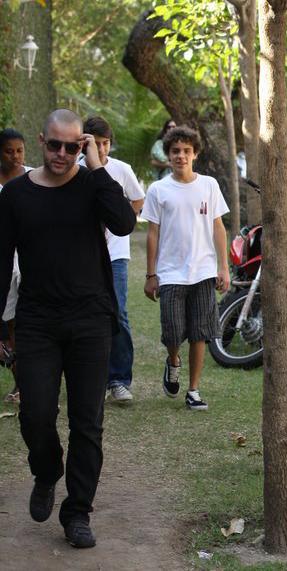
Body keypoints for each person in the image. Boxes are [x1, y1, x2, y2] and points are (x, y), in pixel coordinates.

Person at [0, 109, 135, 548]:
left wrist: (96, 168)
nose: (62, 154)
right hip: (37, 319)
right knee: (36, 414)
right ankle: (46, 470)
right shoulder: (15, 194)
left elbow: (124, 222)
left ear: (85, 146)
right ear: (42, 140)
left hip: (90, 318)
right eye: (54, 145)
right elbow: (1, 262)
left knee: (87, 423)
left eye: (73, 146)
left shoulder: (92, 185)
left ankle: (77, 511)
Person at [141, 125, 230, 411]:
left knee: (200, 331)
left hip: (203, 271)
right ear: (168, 155)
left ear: (195, 154)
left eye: (186, 151)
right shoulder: (158, 190)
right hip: (170, 273)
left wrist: (224, 267)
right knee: (173, 330)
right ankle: (173, 360)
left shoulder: (209, 185)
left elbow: (218, 227)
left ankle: (193, 389)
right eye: (175, 151)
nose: (181, 156)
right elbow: (152, 233)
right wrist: (151, 274)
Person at [81, 116, 145, 403]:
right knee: (84, 312)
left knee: (118, 311)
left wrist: (119, 218)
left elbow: (137, 199)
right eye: (96, 144)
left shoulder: (121, 169)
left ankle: (119, 379)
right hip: (83, 253)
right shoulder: (75, 169)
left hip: (116, 253)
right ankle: (88, 377)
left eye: (105, 143)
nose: (102, 149)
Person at [0, 128, 32, 404]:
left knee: (32, 320)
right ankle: (20, 382)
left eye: (19, 150)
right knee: (11, 323)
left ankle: (34, 384)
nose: (15, 156)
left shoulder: (35, 178)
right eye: (9, 151)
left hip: (32, 260)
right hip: (4, 263)